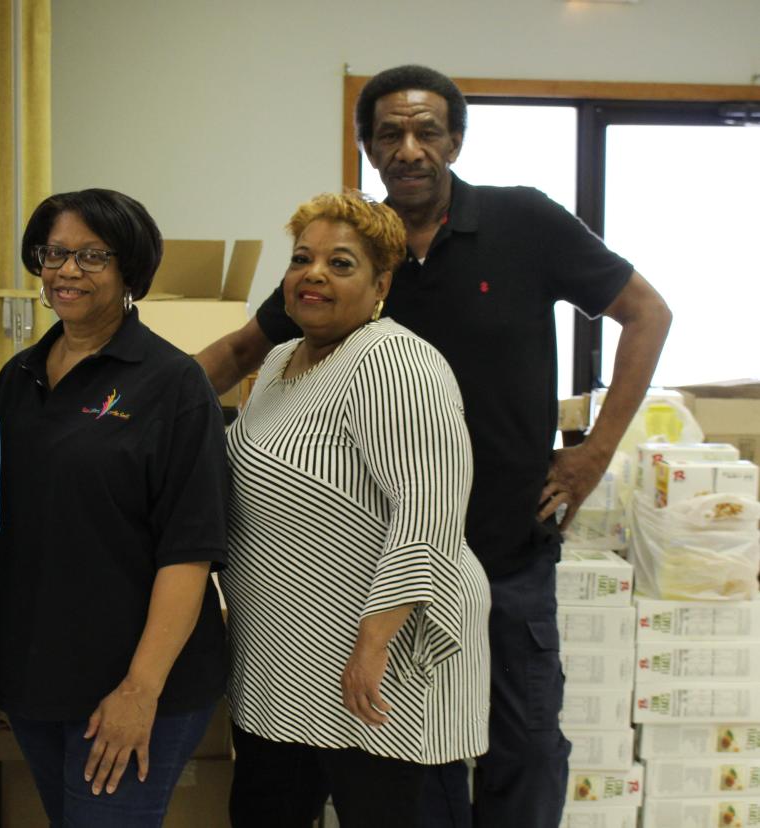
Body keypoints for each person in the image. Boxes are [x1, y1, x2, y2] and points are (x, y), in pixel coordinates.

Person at [198, 66, 671, 828]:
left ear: (455, 138)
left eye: (427, 131)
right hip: (371, 573)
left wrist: (593, 453)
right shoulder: (356, 252)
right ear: (368, 148)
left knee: (518, 745)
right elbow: (242, 350)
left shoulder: (524, 223)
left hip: (499, 547)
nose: (409, 149)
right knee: (403, 762)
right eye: (390, 134)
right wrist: (134, 402)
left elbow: (647, 313)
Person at [221, 190, 490, 827]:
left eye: (341, 263)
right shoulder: (284, 359)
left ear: (381, 284)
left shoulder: (397, 362)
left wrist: (372, 647)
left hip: (377, 664)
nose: (313, 274)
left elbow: (429, 512)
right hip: (284, 661)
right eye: (301, 259)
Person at [0, 188, 230, 827]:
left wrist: (139, 692)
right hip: (35, 680)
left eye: (92, 256)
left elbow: (189, 551)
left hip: (132, 686)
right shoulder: (19, 376)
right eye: (54, 253)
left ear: (130, 271)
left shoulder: (173, 384)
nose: (67, 271)